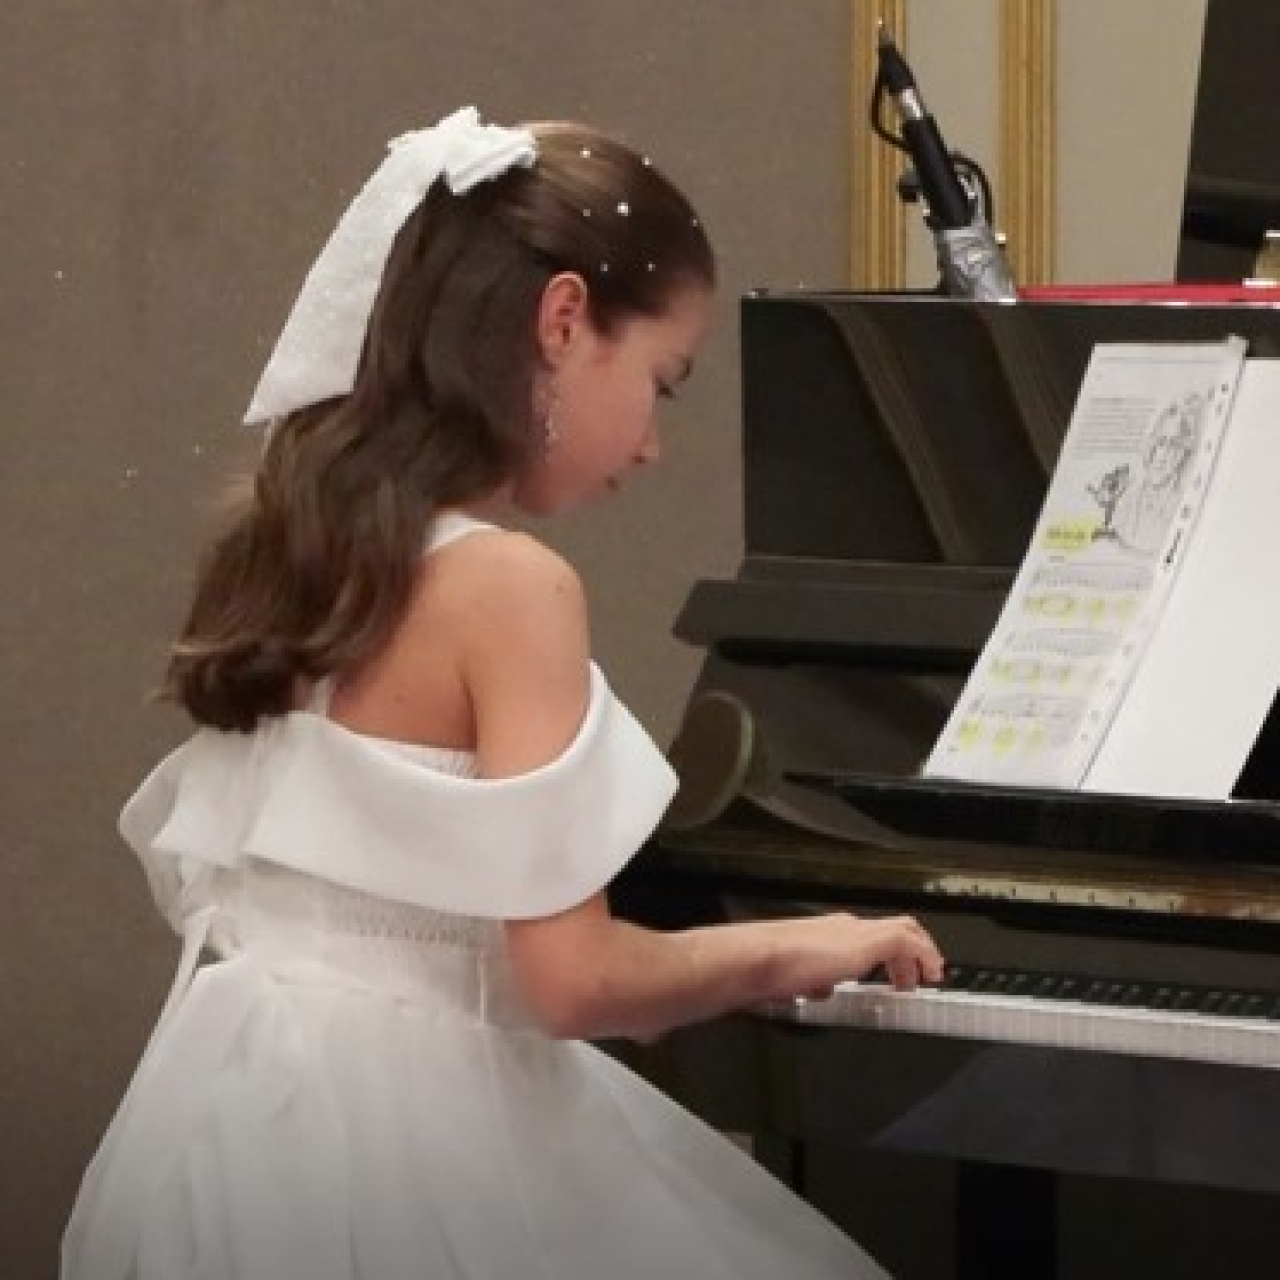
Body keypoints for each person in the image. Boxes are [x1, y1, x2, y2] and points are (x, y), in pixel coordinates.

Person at [63, 106, 944, 1279]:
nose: (651, 444)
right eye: (662, 381)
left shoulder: (284, 549)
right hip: (416, 1135)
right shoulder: (511, 587)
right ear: (563, 320)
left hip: (227, 1110)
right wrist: (798, 945)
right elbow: (572, 980)